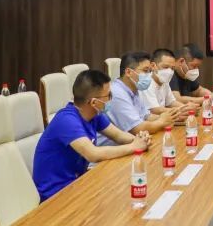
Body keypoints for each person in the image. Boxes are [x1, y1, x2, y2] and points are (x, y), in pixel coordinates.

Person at [32, 70, 150, 201]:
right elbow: (93, 154)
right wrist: (134, 147)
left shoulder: (95, 115)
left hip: (78, 183)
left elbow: (119, 136)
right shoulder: (66, 120)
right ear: (94, 102)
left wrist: (140, 139)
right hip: (56, 194)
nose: (111, 98)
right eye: (109, 95)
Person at [97, 51, 173, 145]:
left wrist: (169, 117)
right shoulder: (116, 93)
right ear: (128, 72)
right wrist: (161, 121)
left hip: (129, 144)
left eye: (150, 71)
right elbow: (137, 129)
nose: (149, 75)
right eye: (145, 71)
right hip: (110, 149)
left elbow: (146, 116)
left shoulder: (134, 89)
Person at [142, 48, 191, 122]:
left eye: (172, 68)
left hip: (162, 122)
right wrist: (180, 110)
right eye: (165, 67)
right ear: (153, 66)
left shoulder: (165, 82)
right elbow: (155, 110)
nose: (169, 71)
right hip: (149, 124)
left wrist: (186, 108)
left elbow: (171, 102)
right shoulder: (146, 83)